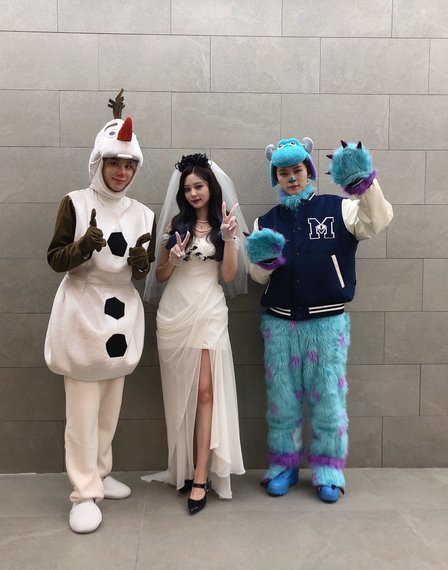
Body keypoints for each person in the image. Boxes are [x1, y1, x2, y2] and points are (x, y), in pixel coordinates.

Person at [246, 137, 393, 502]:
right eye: (283, 172)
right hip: (280, 325)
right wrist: (264, 263)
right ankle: (283, 466)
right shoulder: (266, 221)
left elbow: (377, 221)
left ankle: (329, 470)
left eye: (297, 170)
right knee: (282, 402)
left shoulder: (339, 209)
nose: (291, 178)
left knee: (329, 399)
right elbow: (258, 277)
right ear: (276, 177)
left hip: (327, 326)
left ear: (309, 170)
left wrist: (363, 183)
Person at [44, 90, 156, 533]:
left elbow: (140, 270)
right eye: (114, 163)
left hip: (121, 318)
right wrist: (81, 247)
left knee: (109, 407)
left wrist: (142, 264)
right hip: (82, 314)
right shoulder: (74, 203)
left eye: (129, 165)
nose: (121, 172)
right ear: (99, 162)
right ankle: (83, 491)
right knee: (82, 413)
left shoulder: (143, 214)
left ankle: (101, 473)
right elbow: (55, 259)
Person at [142, 154, 248, 514]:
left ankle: (202, 476)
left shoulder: (223, 225)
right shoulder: (176, 223)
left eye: (198, 186)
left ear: (210, 187)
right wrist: (172, 258)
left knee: (205, 391)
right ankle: (185, 469)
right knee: (184, 394)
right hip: (174, 312)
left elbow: (229, 276)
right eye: (187, 188)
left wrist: (230, 239)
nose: (193, 193)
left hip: (209, 311)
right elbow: (159, 277)